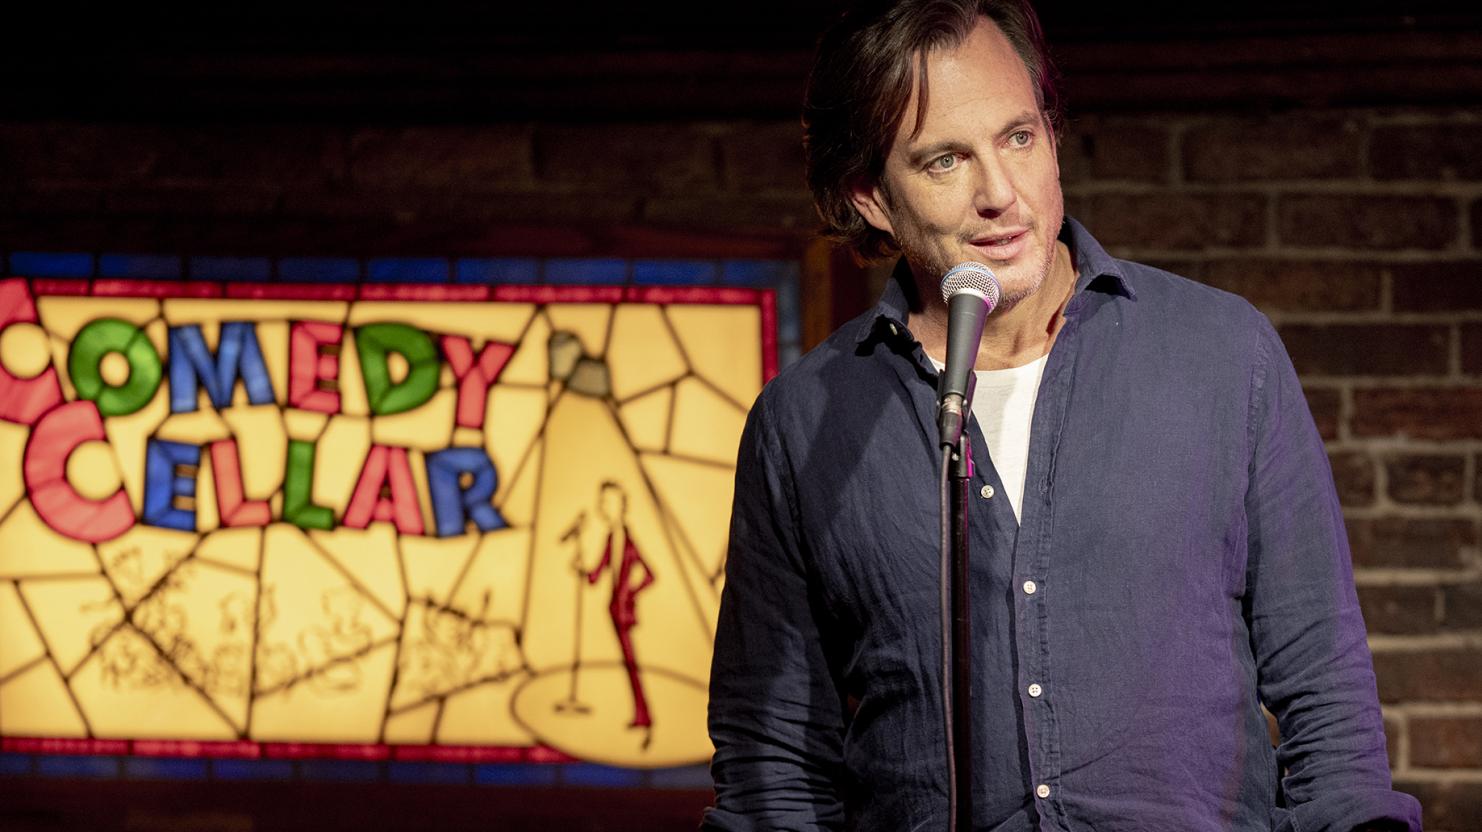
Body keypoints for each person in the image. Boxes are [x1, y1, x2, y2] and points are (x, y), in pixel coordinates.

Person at [703, 1, 1424, 830]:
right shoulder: (804, 423)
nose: (1000, 194)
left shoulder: (1222, 354)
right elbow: (774, 761)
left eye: (1019, 137)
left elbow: (1326, 695)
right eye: (945, 160)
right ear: (870, 197)